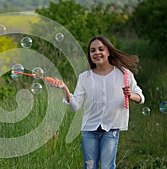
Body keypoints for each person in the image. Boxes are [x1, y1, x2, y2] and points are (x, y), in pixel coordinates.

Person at [50, 36, 145, 169]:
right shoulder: (84, 77)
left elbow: (141, 97)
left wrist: (130, 95)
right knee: (90, 166)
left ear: (108, 52)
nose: (97, 53)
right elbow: (74, 106)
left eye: (101, 49)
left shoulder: (124, 74)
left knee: (107, 166)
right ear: (90, 55)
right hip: (89, 130)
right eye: (92, 50)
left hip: (111, 129)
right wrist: (64, 88)